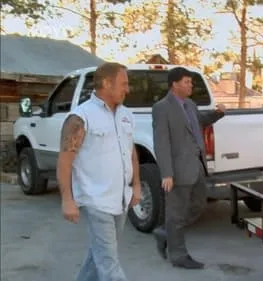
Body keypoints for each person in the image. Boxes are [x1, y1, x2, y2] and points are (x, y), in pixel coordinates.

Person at [57, 62, 141, 281]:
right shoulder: (80, 117)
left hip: (120, 198)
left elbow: (131, 152)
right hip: (95, 200)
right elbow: (65, 161)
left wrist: (137, 186)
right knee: (109, 265)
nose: (128, 89)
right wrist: (67, 199)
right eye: (123, 84)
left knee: (99, 256)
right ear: (106, 83)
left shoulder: (126, 115)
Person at [152, 66, 225, 269]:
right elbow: (161, 142)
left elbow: (198, 122)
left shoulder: (190, 104)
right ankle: (179, 256)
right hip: (177, 170)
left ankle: (165, 233)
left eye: (191, 82)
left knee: (198, 205)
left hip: (197, 167)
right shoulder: (162, 108)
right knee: (176, 213)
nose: (191, 85)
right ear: (174, 84)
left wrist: (217, 114)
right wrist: (166, 172)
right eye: (187, 82)